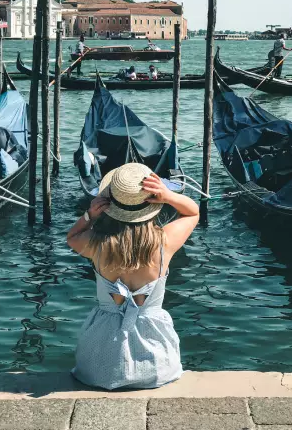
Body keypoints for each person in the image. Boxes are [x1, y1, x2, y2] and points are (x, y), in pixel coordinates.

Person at [67, 163, 199, 390]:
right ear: (150, 204)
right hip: (157, 364)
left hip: (98, 367)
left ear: (108, 205)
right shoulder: (163, 243)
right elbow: (193, 211)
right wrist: (168, 196)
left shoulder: (96, 244)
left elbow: (72, 236)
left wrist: (89, 215)